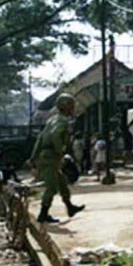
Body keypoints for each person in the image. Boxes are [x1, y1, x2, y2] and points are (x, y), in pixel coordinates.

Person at [30, 93, 85, 223]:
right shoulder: (63, 121)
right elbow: (55, 135)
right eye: (72, 106)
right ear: (67, 107)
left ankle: (70, 207)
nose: (73, 109)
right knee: (51, 187)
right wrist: (60, 151)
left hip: (46, 155)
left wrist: (33, 156)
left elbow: (40, 138)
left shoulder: (51, 120)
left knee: (62, 182)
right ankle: (43, 214)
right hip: (51, 157)